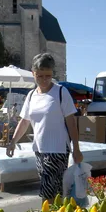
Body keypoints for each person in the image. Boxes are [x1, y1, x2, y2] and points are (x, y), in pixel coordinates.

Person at [6, 53, 83, 202]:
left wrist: (77, 148)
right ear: (33, 73)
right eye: (40, 76)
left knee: (48, 191)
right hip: (40, 150)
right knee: (56, 190)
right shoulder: (31, 95)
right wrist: (13, 141)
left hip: (58, 149)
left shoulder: (61, 92)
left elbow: (71, 122)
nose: (44, 80)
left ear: (52, 73)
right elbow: (24, 121)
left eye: (48, 75)